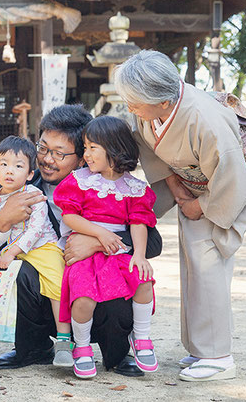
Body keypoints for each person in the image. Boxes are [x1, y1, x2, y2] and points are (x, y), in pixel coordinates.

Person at [115, 50, 246, 382]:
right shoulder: (151, 108)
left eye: (135, 102)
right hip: (189, 182)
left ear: (164, 101)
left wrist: (201, 204)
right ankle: (201, 349)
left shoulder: (204, 120)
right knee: (192, 263)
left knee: (208, 260)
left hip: (223, 187)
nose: (131, 109)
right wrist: (177, 189)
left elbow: (231, 174)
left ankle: (219, 357)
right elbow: (148, 145)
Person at [0, 105, 163, 377]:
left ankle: (116, 353)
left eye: (59, 153)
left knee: (123, 276)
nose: (46, 159)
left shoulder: (110, 188)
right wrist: (3, 223)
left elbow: (153, 244)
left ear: (84, 157)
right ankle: (33, 347)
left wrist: (97, 241)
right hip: (51, 297)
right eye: (43, 148)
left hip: (95, 290)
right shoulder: (22, 191)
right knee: (23, 272)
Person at [54, 116, 158, 379]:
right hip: (85, 254)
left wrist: (139, 256)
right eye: (85, 147)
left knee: (144, 280)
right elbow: (69, 216)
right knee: (84, 297)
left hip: (118, 254)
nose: (85, 154)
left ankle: (142, 337)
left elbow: (138, 222)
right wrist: (99, 233)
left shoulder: (134, 188)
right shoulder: (80, 181)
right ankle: (82, 346)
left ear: (114, 148)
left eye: (92, 148)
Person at [0, 136, 72, 367]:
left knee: (57, 282)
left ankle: (63, 341)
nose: (10, 171)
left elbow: (36, 230)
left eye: (18, 166)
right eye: (4, 164)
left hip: (42, 247)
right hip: (14, 249)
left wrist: (10, 253)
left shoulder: (34, 195)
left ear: (30, 173)